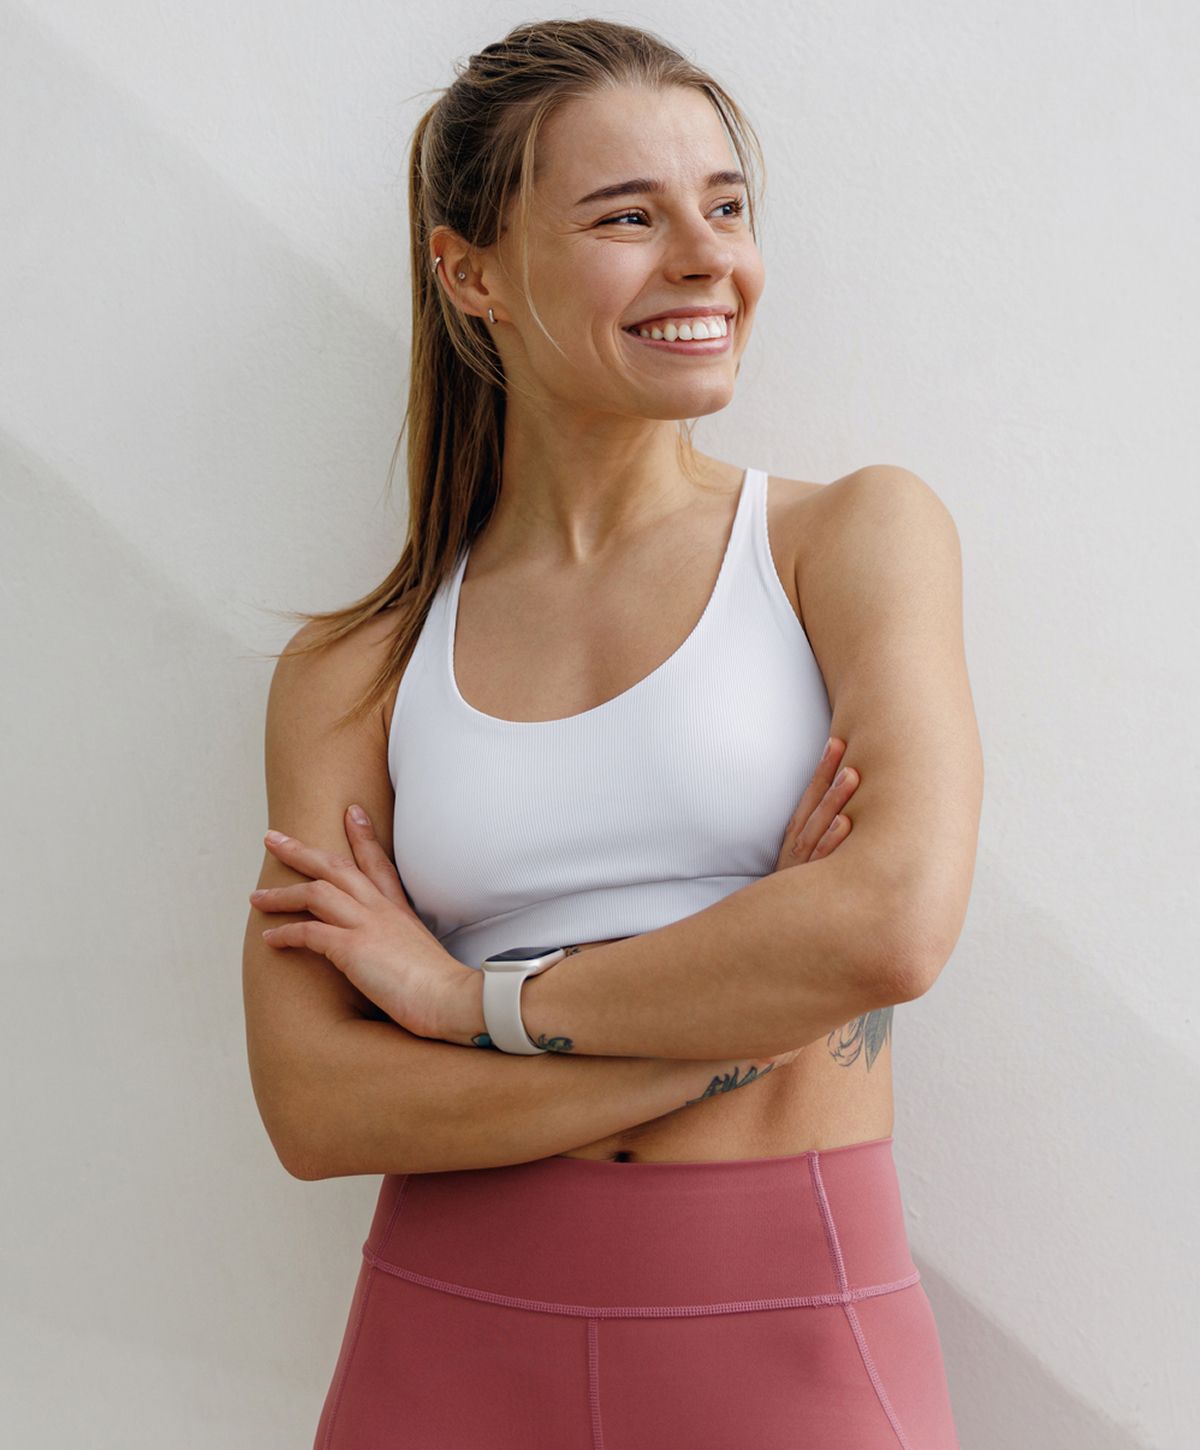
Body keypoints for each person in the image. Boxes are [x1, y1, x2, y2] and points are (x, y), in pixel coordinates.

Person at [242, 18, 983, 1448]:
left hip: (790, 1333)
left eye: (726, 206)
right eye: (627, 216)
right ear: (470, 273)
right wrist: (741, 1026)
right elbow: (315, 1104)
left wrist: (466, 1003)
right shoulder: (354, 669)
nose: (706, 258)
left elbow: (889, 927)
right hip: (445, 1340)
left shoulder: (850, 540)